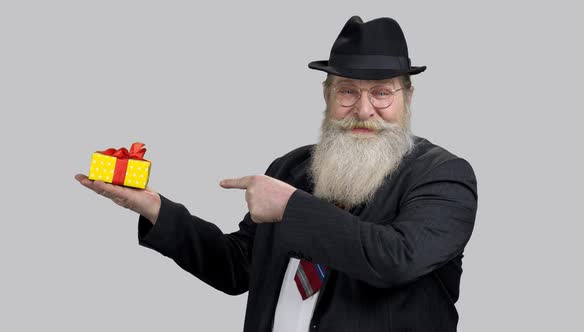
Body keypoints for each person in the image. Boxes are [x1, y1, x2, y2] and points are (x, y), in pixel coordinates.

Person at [75, 16, 478, 332]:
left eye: (382, 92)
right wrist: (158, 211)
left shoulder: (443, 176)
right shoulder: (292, 168)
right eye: (348, 91)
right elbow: (239, 267)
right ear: (327, 95)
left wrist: (291, 207)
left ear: (407, 97)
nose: (364, 109)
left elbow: (396, 259)